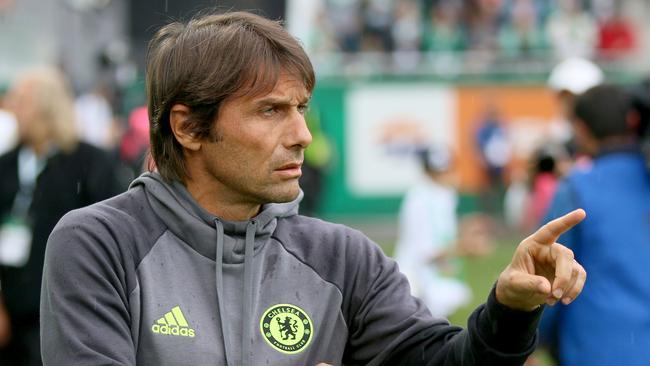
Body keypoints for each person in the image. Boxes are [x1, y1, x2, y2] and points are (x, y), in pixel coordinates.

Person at [40, 11, 587, 366]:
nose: (301, 135)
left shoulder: (343, 257)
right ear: (187, 127)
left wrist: (510, 308)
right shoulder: (98, 243)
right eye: (270, 111)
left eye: (300, 109)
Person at [0, 67, 122, 366]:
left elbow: (113, 235)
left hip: (66, 307)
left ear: (45, 106)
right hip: (10, 309)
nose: (11, 107)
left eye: (20, 100)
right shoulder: (6, 164)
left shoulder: (91, 163)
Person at [538, 84, 650, 366]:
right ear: (632, 120)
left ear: (580, 128)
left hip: (595, 349)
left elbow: (546, 278)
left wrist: (529, 341)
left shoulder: (577, 187)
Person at [394, 147, 472, 317]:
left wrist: (468, 229)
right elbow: (424, 253)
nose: (447, 174)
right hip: (416, 280)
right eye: (440, 171)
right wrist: (466, 247)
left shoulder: (444, 195)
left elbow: (442, 235)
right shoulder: (419, 200)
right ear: (428, 172)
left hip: (434, 275)